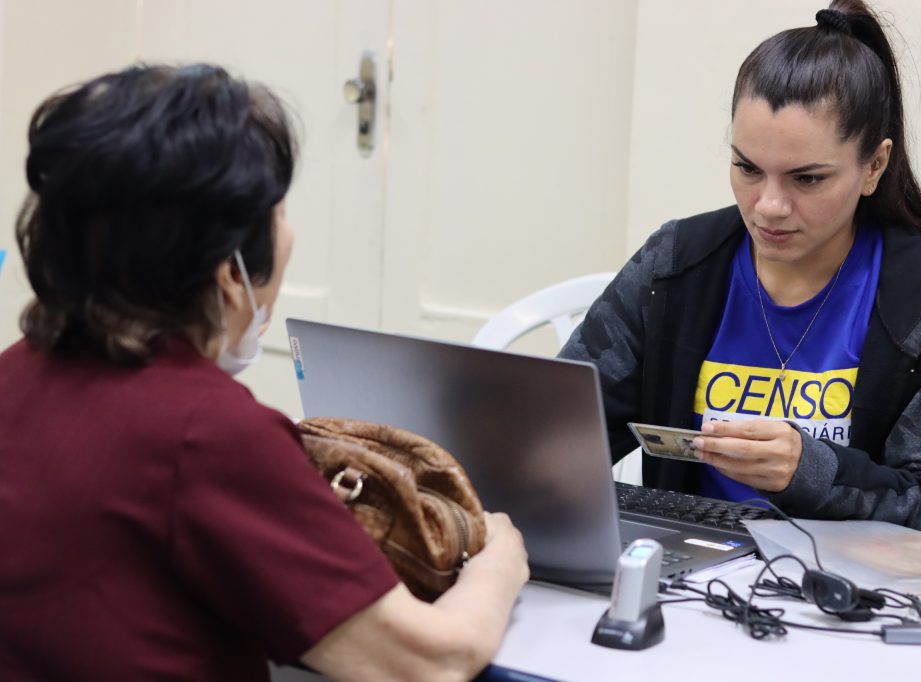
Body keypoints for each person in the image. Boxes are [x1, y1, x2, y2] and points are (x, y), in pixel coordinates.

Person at [0, 64, 528, 681]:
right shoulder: (207, 433)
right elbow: (428, 662)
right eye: (279, 213)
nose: (288, 233)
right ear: (229, 272)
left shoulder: (15, 375)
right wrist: (501, 559)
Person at [560, 0, 921, 546]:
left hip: (850, 603)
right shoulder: (676, 265)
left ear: (875, 167)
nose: (768, 206)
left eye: (807, 179)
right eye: (747, 168)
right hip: (689, 583)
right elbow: (557, 433)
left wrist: (811, 472)